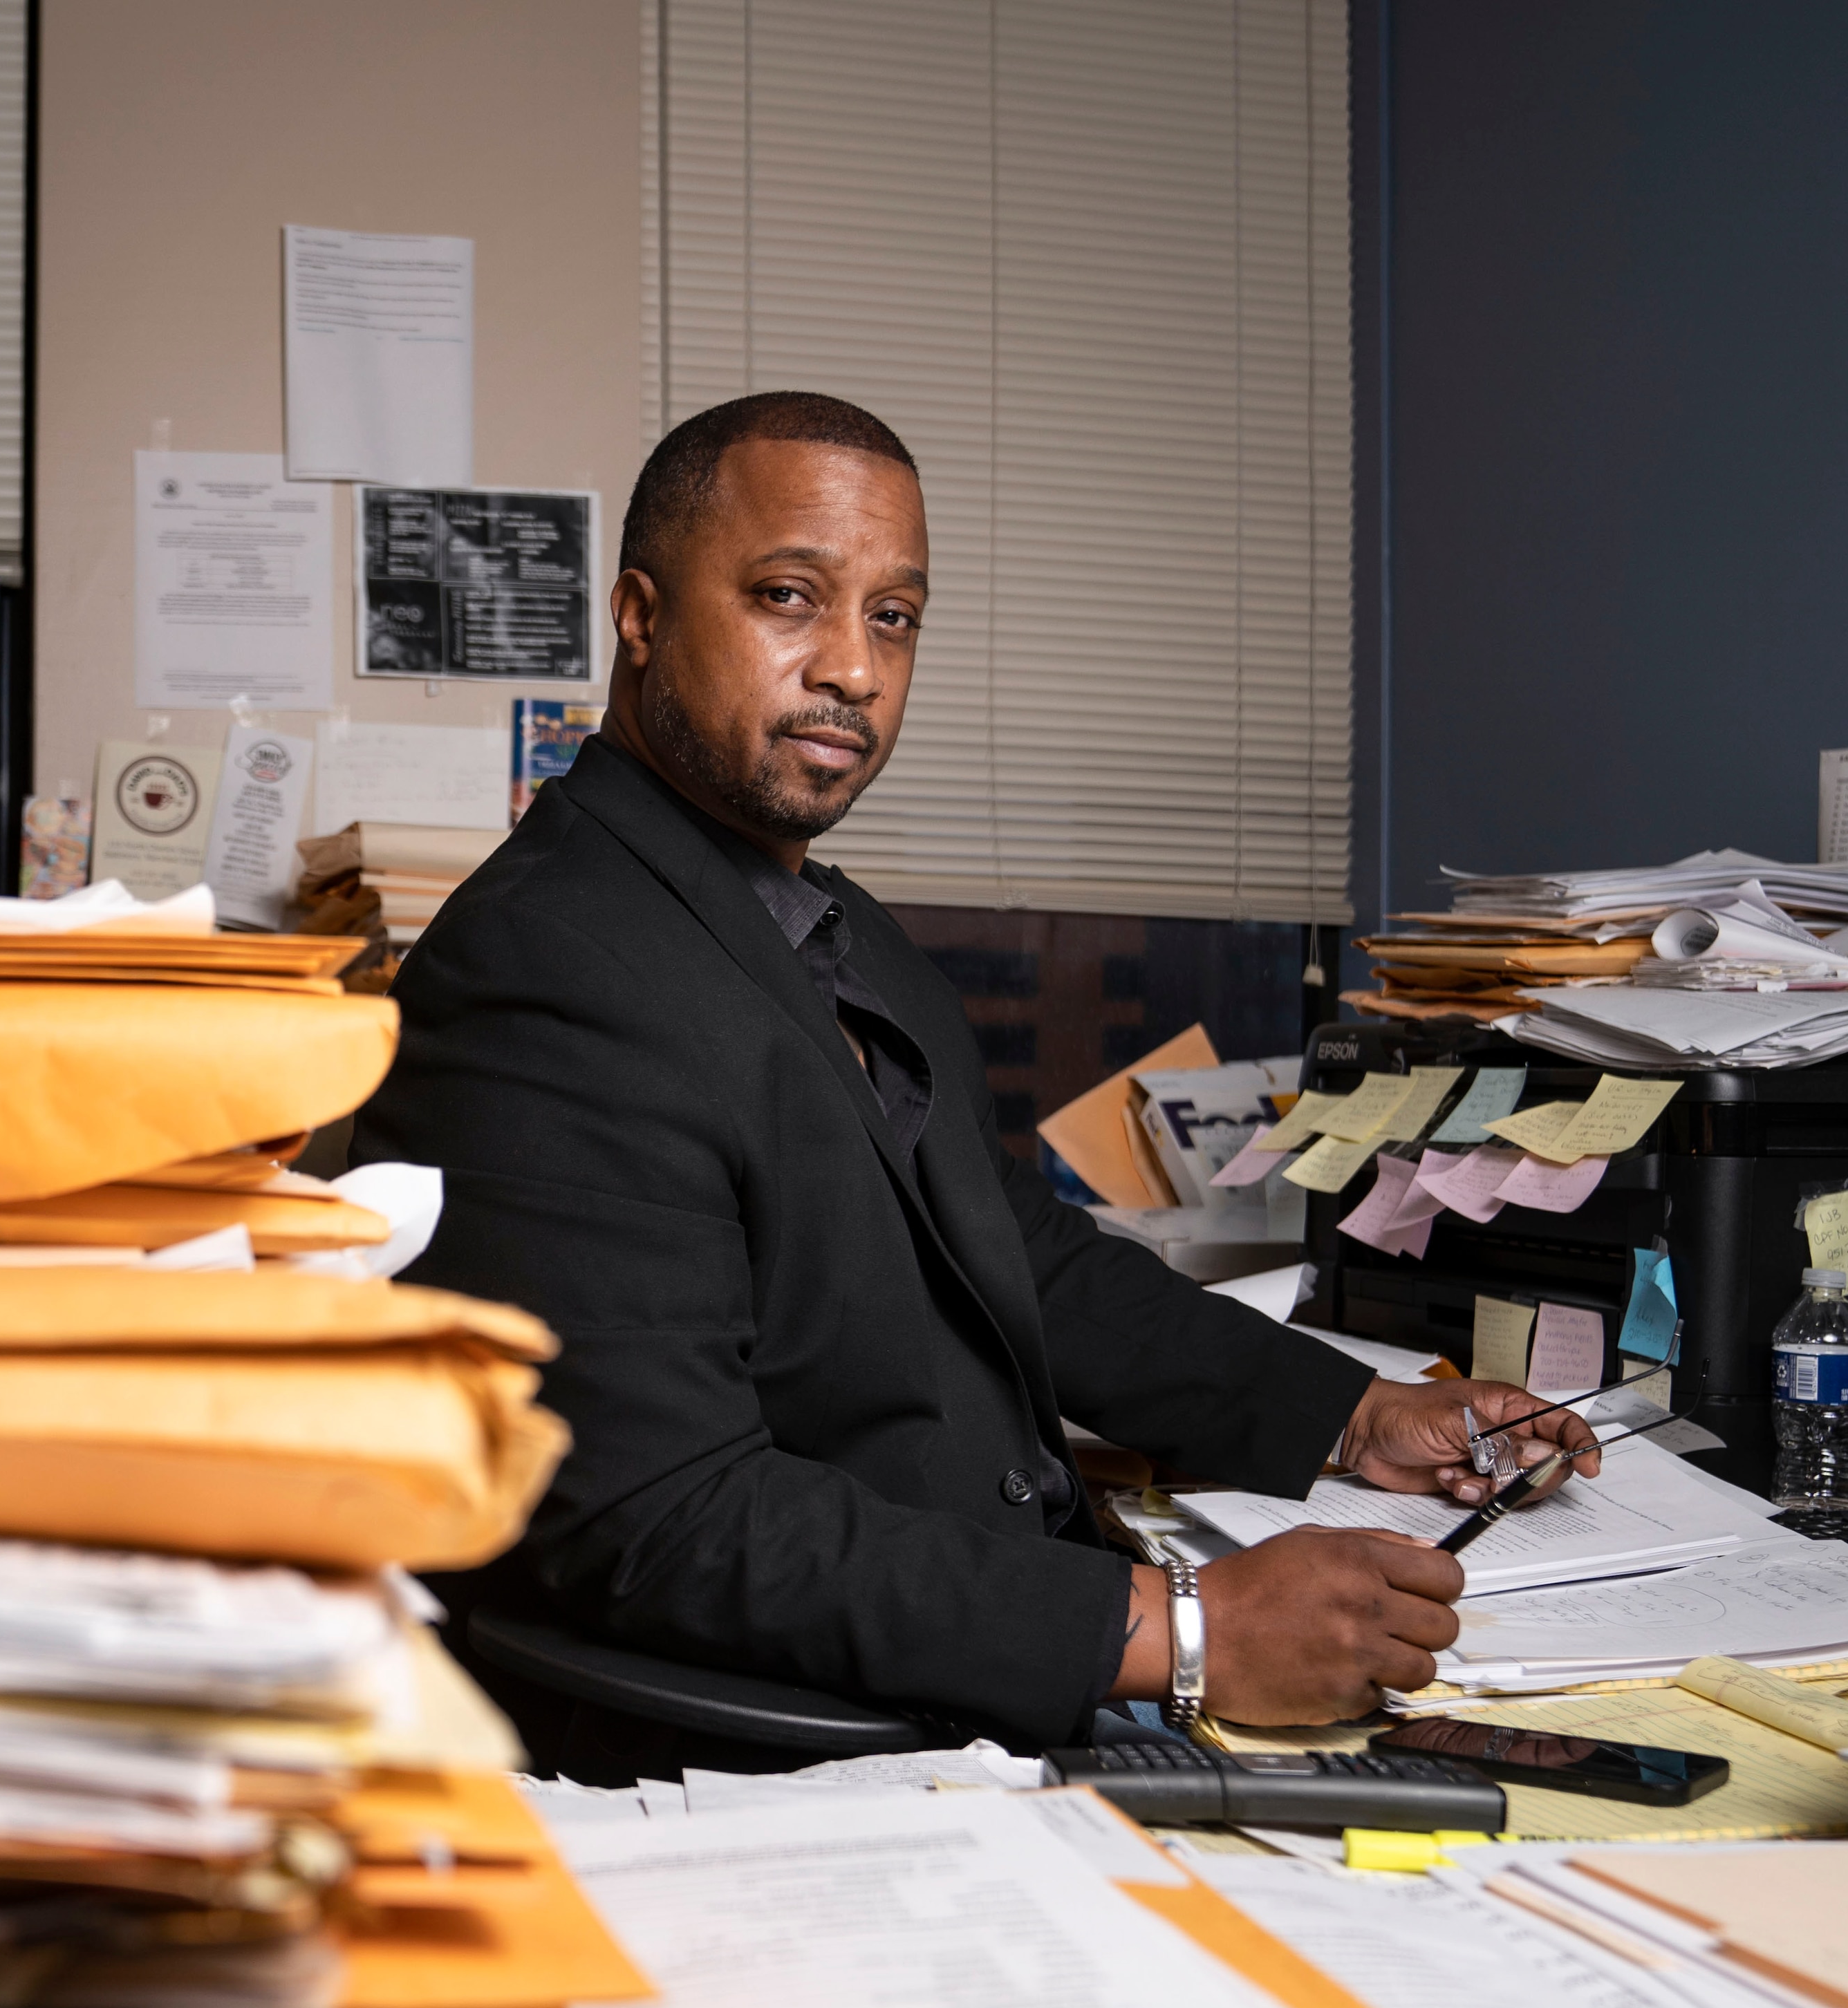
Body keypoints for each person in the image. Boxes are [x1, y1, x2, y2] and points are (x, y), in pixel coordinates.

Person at [354, 391, 1595, 1764]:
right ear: (640, 615)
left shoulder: (835, 933)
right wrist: (1180, 1626)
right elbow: (657, 1514)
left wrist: (1357, 1414)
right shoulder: (547, 971)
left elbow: (1018, 1254)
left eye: (893, 616)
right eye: (787, 596)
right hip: (796, 1744)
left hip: (970, 1661)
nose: (853, 669)